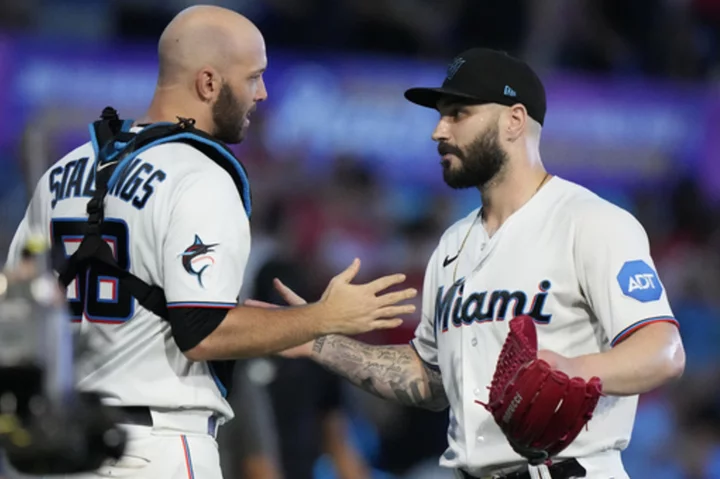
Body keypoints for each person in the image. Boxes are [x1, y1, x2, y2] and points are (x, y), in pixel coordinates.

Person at [3, 5, 416, 479]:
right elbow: (201, 331)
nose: (262, 93)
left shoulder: (64, 170)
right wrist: (322, 317)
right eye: (254, 77)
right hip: (150, 448)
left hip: (54, 444)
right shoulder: (201, 174)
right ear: (208, 83)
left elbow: (19, 311)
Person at [248, 48, 686, 479]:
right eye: (441, 114)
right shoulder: (454, 245)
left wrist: (576, 370)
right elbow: (431, 379)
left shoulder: (590, 222)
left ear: (514, 120)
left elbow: (663, 351)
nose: (438, 131)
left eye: (458, 113)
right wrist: (314, 340)